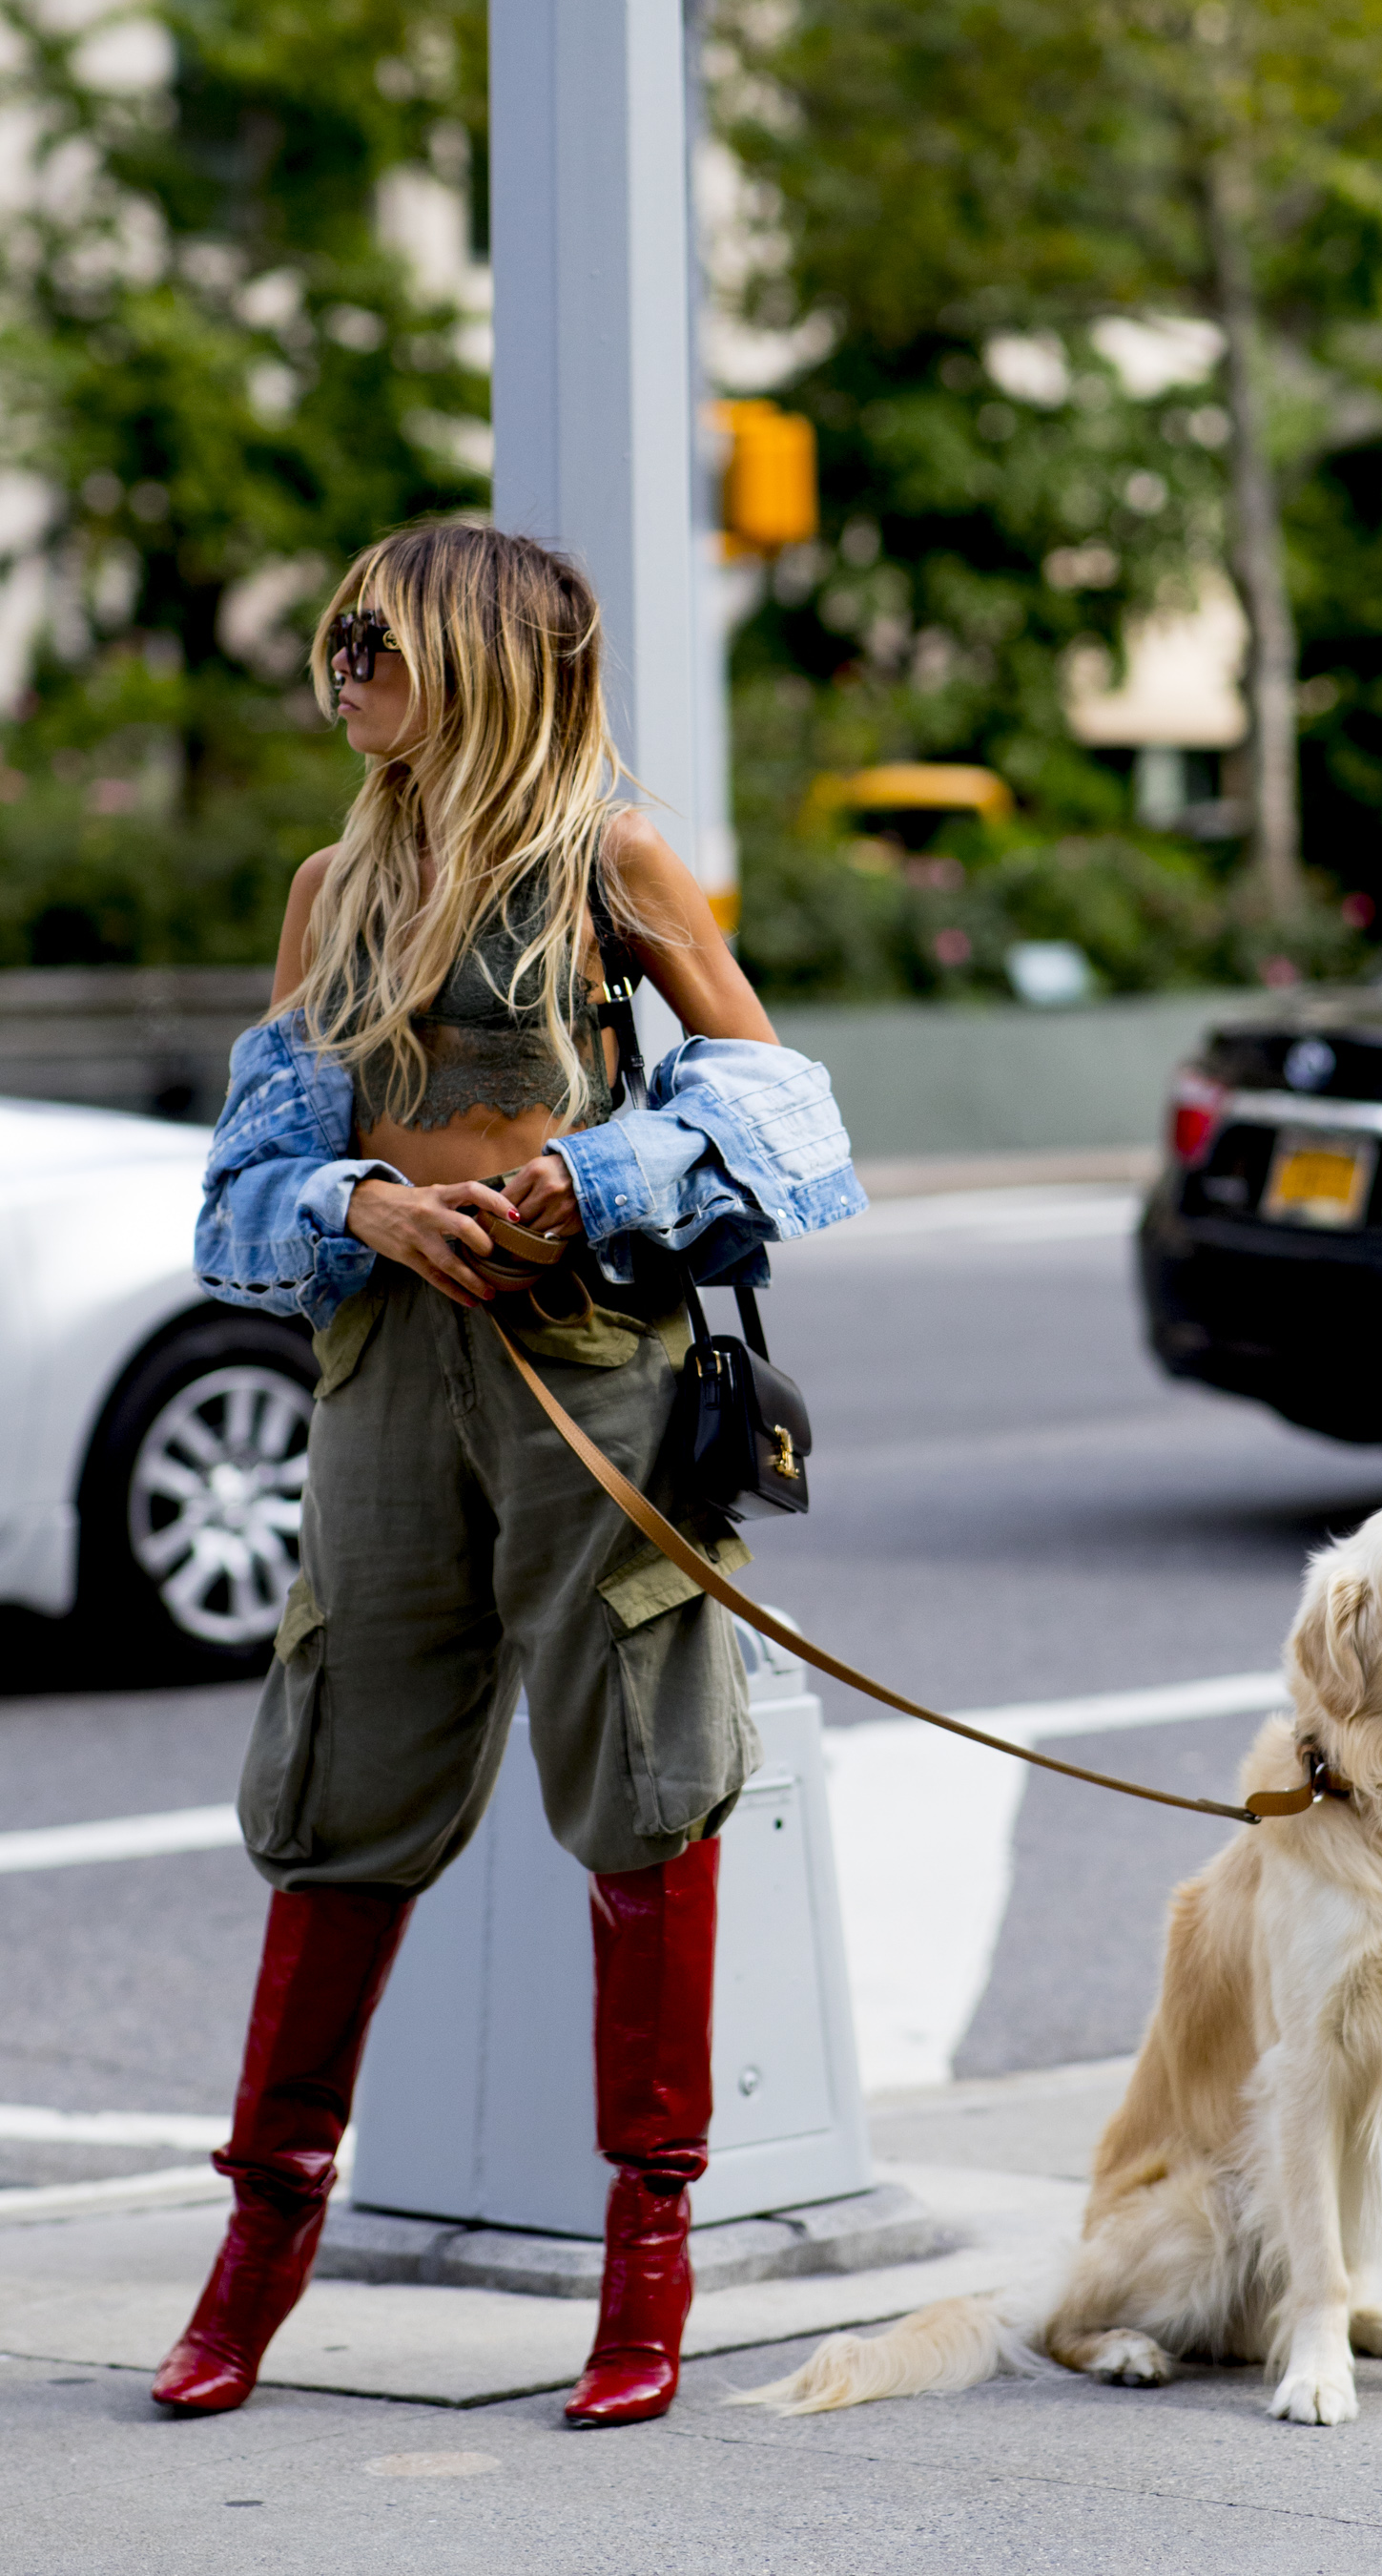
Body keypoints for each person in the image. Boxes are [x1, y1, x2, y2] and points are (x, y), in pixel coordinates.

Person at [154, 518, 863, 2426]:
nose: (344, 667)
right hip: (391, 1378)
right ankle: (258, 2253)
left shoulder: (611, 864)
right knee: (339, 1778)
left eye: (375, 637)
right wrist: (361, 1203)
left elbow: (791, 1117)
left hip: (595, 1370)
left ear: (480, 655)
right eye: (335, 639)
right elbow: (237, 1199)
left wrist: (598, 1176)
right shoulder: (333, 890)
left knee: (646, 1780)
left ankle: (650, 2271)